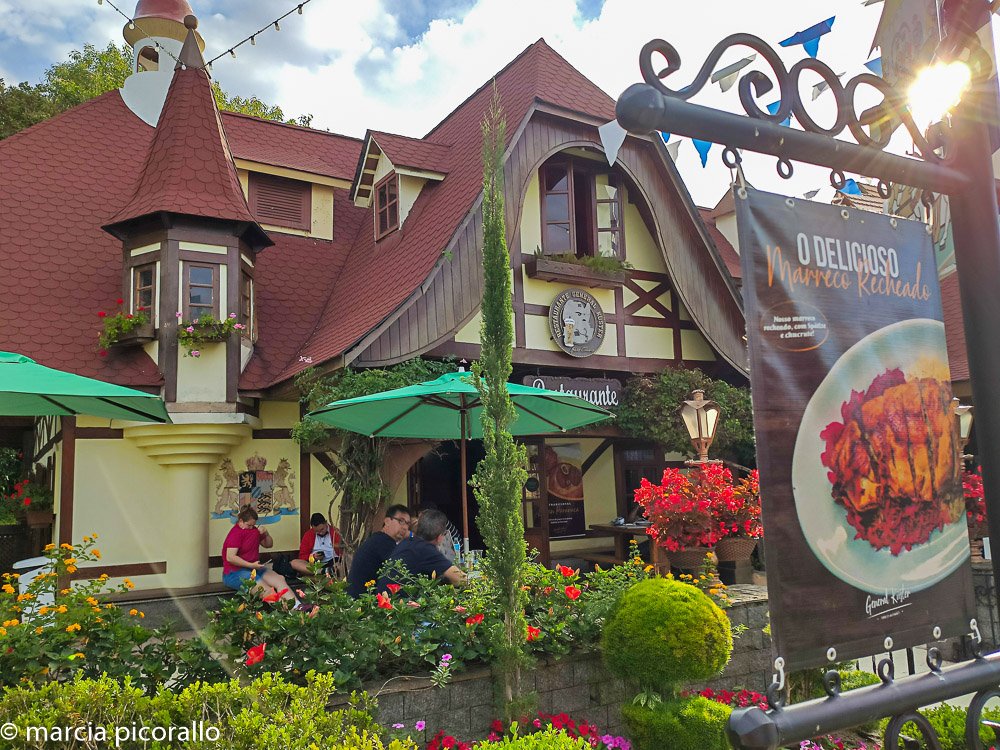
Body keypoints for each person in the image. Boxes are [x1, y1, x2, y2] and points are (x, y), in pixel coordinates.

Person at [221, 506, 297, 605]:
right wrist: (251, 565)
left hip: (254, 568)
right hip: (234, 573)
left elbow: (268, 544)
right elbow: (230, 557)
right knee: (265, 590)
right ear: (240, 521)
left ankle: (298, 606)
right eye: (249, 525)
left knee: (279, 579)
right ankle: (290, 612)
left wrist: (266, 533)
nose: (251, 528)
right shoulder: (235, 533)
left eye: (253, 525)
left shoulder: (253, 530)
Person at [377, 508, 466, 592]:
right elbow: (460, 579)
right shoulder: (426, 549)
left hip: (383, 602)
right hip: (398, 605)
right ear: (439, 537)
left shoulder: (407, 542)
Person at [346, 504, 412, 598]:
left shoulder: (378, 539)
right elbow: (403, 571)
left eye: (407, 524)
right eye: (401, 521)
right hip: (363, 604)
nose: (405, 527)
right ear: (387, 521)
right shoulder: (383, 543)